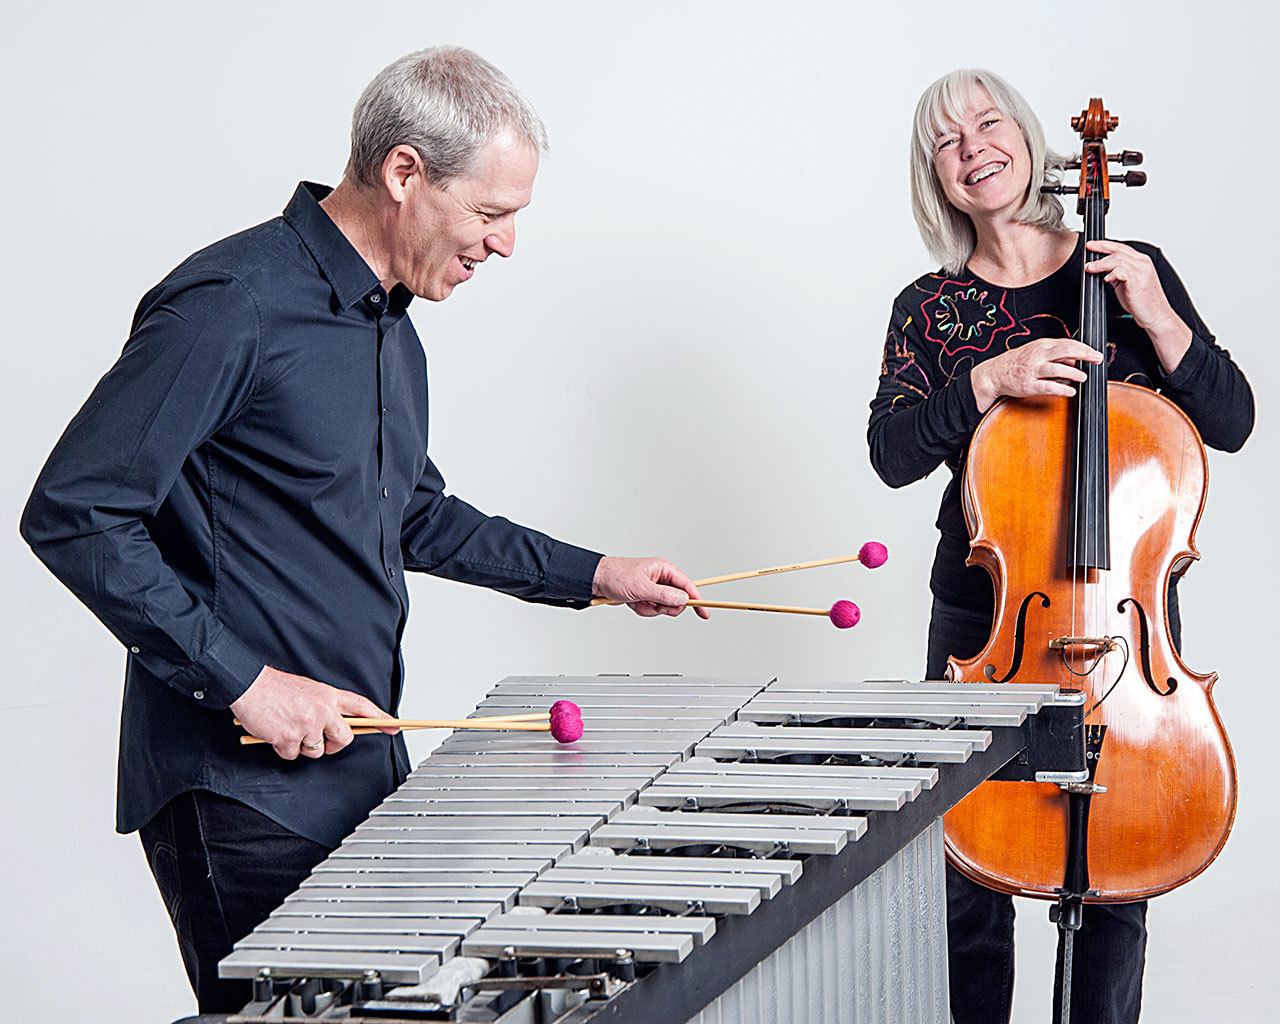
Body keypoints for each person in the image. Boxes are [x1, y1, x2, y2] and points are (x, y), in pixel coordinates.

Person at [20, 46, 708, 1015]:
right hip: (241, 789)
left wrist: (596, 573)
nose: (506, 243)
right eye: (491, 211)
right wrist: (246, 681)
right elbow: (77, 509)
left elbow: (411, 513)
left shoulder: (391, 329)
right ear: (403, 172)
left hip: (362, 764)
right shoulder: (233, 304)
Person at [866, 69, 1253, 1024]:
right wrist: (986, 381)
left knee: (1120, 873)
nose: (973, 148)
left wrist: (1159, 316)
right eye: (946, 140)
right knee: (970, 881)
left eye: (987, 122)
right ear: (934, 174)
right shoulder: (928, 306)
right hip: (987, 619)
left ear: (1030, 138)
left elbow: (1232, 422)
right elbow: (891, 454)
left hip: (1127, 613)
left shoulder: (1129, 268)